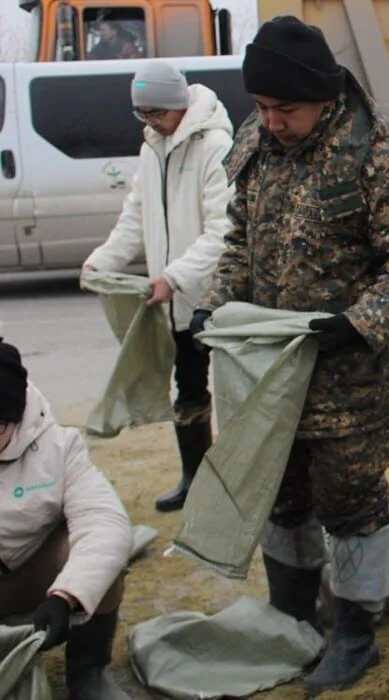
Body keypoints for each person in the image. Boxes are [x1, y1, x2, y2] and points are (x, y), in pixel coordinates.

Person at [191, 15, 389, 693]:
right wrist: (216, 304)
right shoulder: (258, 142)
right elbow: (240, 237)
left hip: (349, 378)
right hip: (267, 374)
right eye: (263, 107)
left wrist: (356, 322)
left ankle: (356, 633)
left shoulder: (376, 159)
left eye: (286, 109)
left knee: (351, 501)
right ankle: (292, 615)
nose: (271, 121)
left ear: (325, 97)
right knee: (281, 493)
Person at [83, 60, 235, 514]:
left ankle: (241, 484)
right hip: (176, 305)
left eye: (156, 112)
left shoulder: (215, 146)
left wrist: (174, 276)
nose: (150, 122)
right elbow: (135, 217)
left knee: (236, 394)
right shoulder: (153, 149)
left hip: (218, 298)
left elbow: (223, 231)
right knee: (187, 392)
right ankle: (195, 479)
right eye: (142, 114)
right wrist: (101, 262)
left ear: (179, 105)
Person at [0, 340, 133, 700]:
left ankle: (88, 674)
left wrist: (65, 596)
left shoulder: (60, 447)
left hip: (29, 576)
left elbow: (105, 523)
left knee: (103, 560)